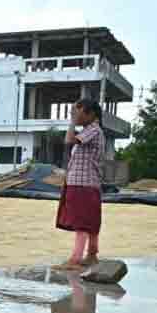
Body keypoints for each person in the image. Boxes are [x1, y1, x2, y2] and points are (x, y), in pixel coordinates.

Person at [55, 99, 104, 269]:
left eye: (79, 112)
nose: (76, 116)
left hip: (83, 183)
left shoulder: (93, 130)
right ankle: (91, 255)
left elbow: (68, 140)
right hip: (83, 182)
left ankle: (75, 259)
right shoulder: (90, 130)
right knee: (89, 221)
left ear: (91, 114)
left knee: (81, 222)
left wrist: (72, 122)